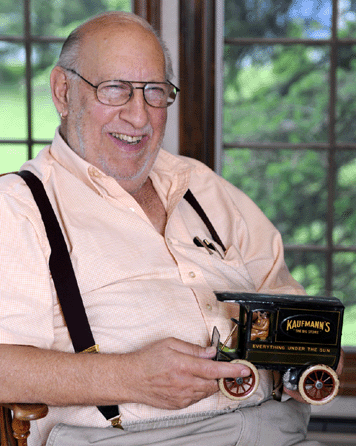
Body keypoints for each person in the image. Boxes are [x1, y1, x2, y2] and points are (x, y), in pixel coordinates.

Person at [0, 11, 342, 446]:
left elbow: (292, 308)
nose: (139, 117)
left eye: (155, 93)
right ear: (63, 92)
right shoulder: (18, 206)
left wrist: (312, 349)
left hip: (280, 429)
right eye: (116, 90)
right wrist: (128, 377)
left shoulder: (201, 185)